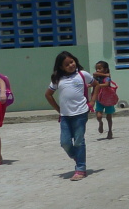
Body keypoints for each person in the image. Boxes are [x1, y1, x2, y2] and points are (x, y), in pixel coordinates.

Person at [44, 51, 94, 181]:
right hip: (65, 116)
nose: (71, 65)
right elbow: (48, 94)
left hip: (81, 113)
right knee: (65, 142)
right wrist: (58, 109)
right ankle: (77, 156)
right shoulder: (58, 79)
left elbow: (96, 85)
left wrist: (92, 102)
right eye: (67, 64)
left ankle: (81, 169)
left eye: (72, 62)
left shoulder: (82, 75)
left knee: (79, 141)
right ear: (61, 67)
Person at [92, 60, 119, 139]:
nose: (97, 70)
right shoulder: (96, 77)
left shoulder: (107, 78)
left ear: (106, 69)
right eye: (97, 68)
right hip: (99, 98)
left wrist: (98, 85)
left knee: (109, 117)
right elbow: (94, 75)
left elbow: (106, 84)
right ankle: (100, 123)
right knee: (99, 115)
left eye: (99, 68)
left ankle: (110, 131)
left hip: (108, 99)